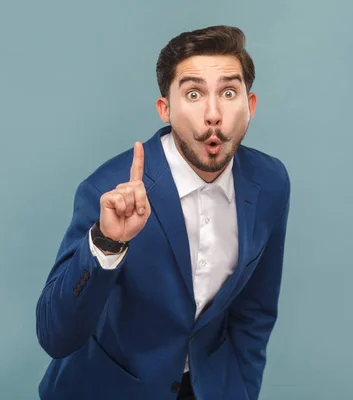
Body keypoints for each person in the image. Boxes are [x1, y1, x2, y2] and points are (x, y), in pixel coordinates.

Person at [36, 25, 291, 400]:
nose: (213, 113)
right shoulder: (106, 189)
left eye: (229, 92)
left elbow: (256, 311)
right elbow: (55, 336)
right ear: (165, 110)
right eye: (193, 94)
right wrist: (107, 242)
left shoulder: (270, 182)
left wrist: (240, 390)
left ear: (249, 106)